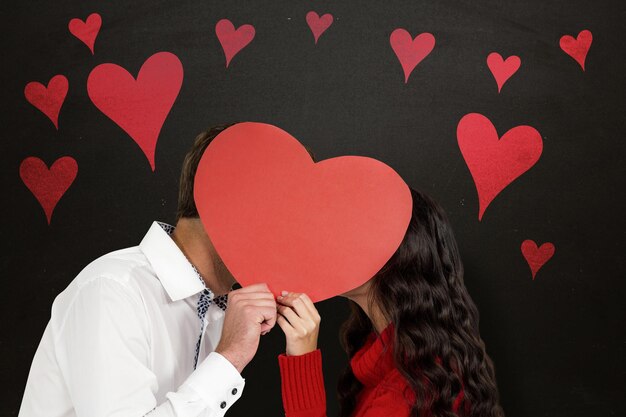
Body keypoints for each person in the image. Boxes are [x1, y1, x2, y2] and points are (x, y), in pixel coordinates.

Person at [19, 124, 278, 417]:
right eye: (277, 210)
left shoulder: (219, 310)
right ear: (221, 201)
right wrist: (230, 357)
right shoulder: (112, 291)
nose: (286, 234)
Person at [276, 188, 505, 417]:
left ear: (394, 255)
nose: (324, 242)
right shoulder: (387, 363)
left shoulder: (412, 395)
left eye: (344, 229)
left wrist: (302, 364)